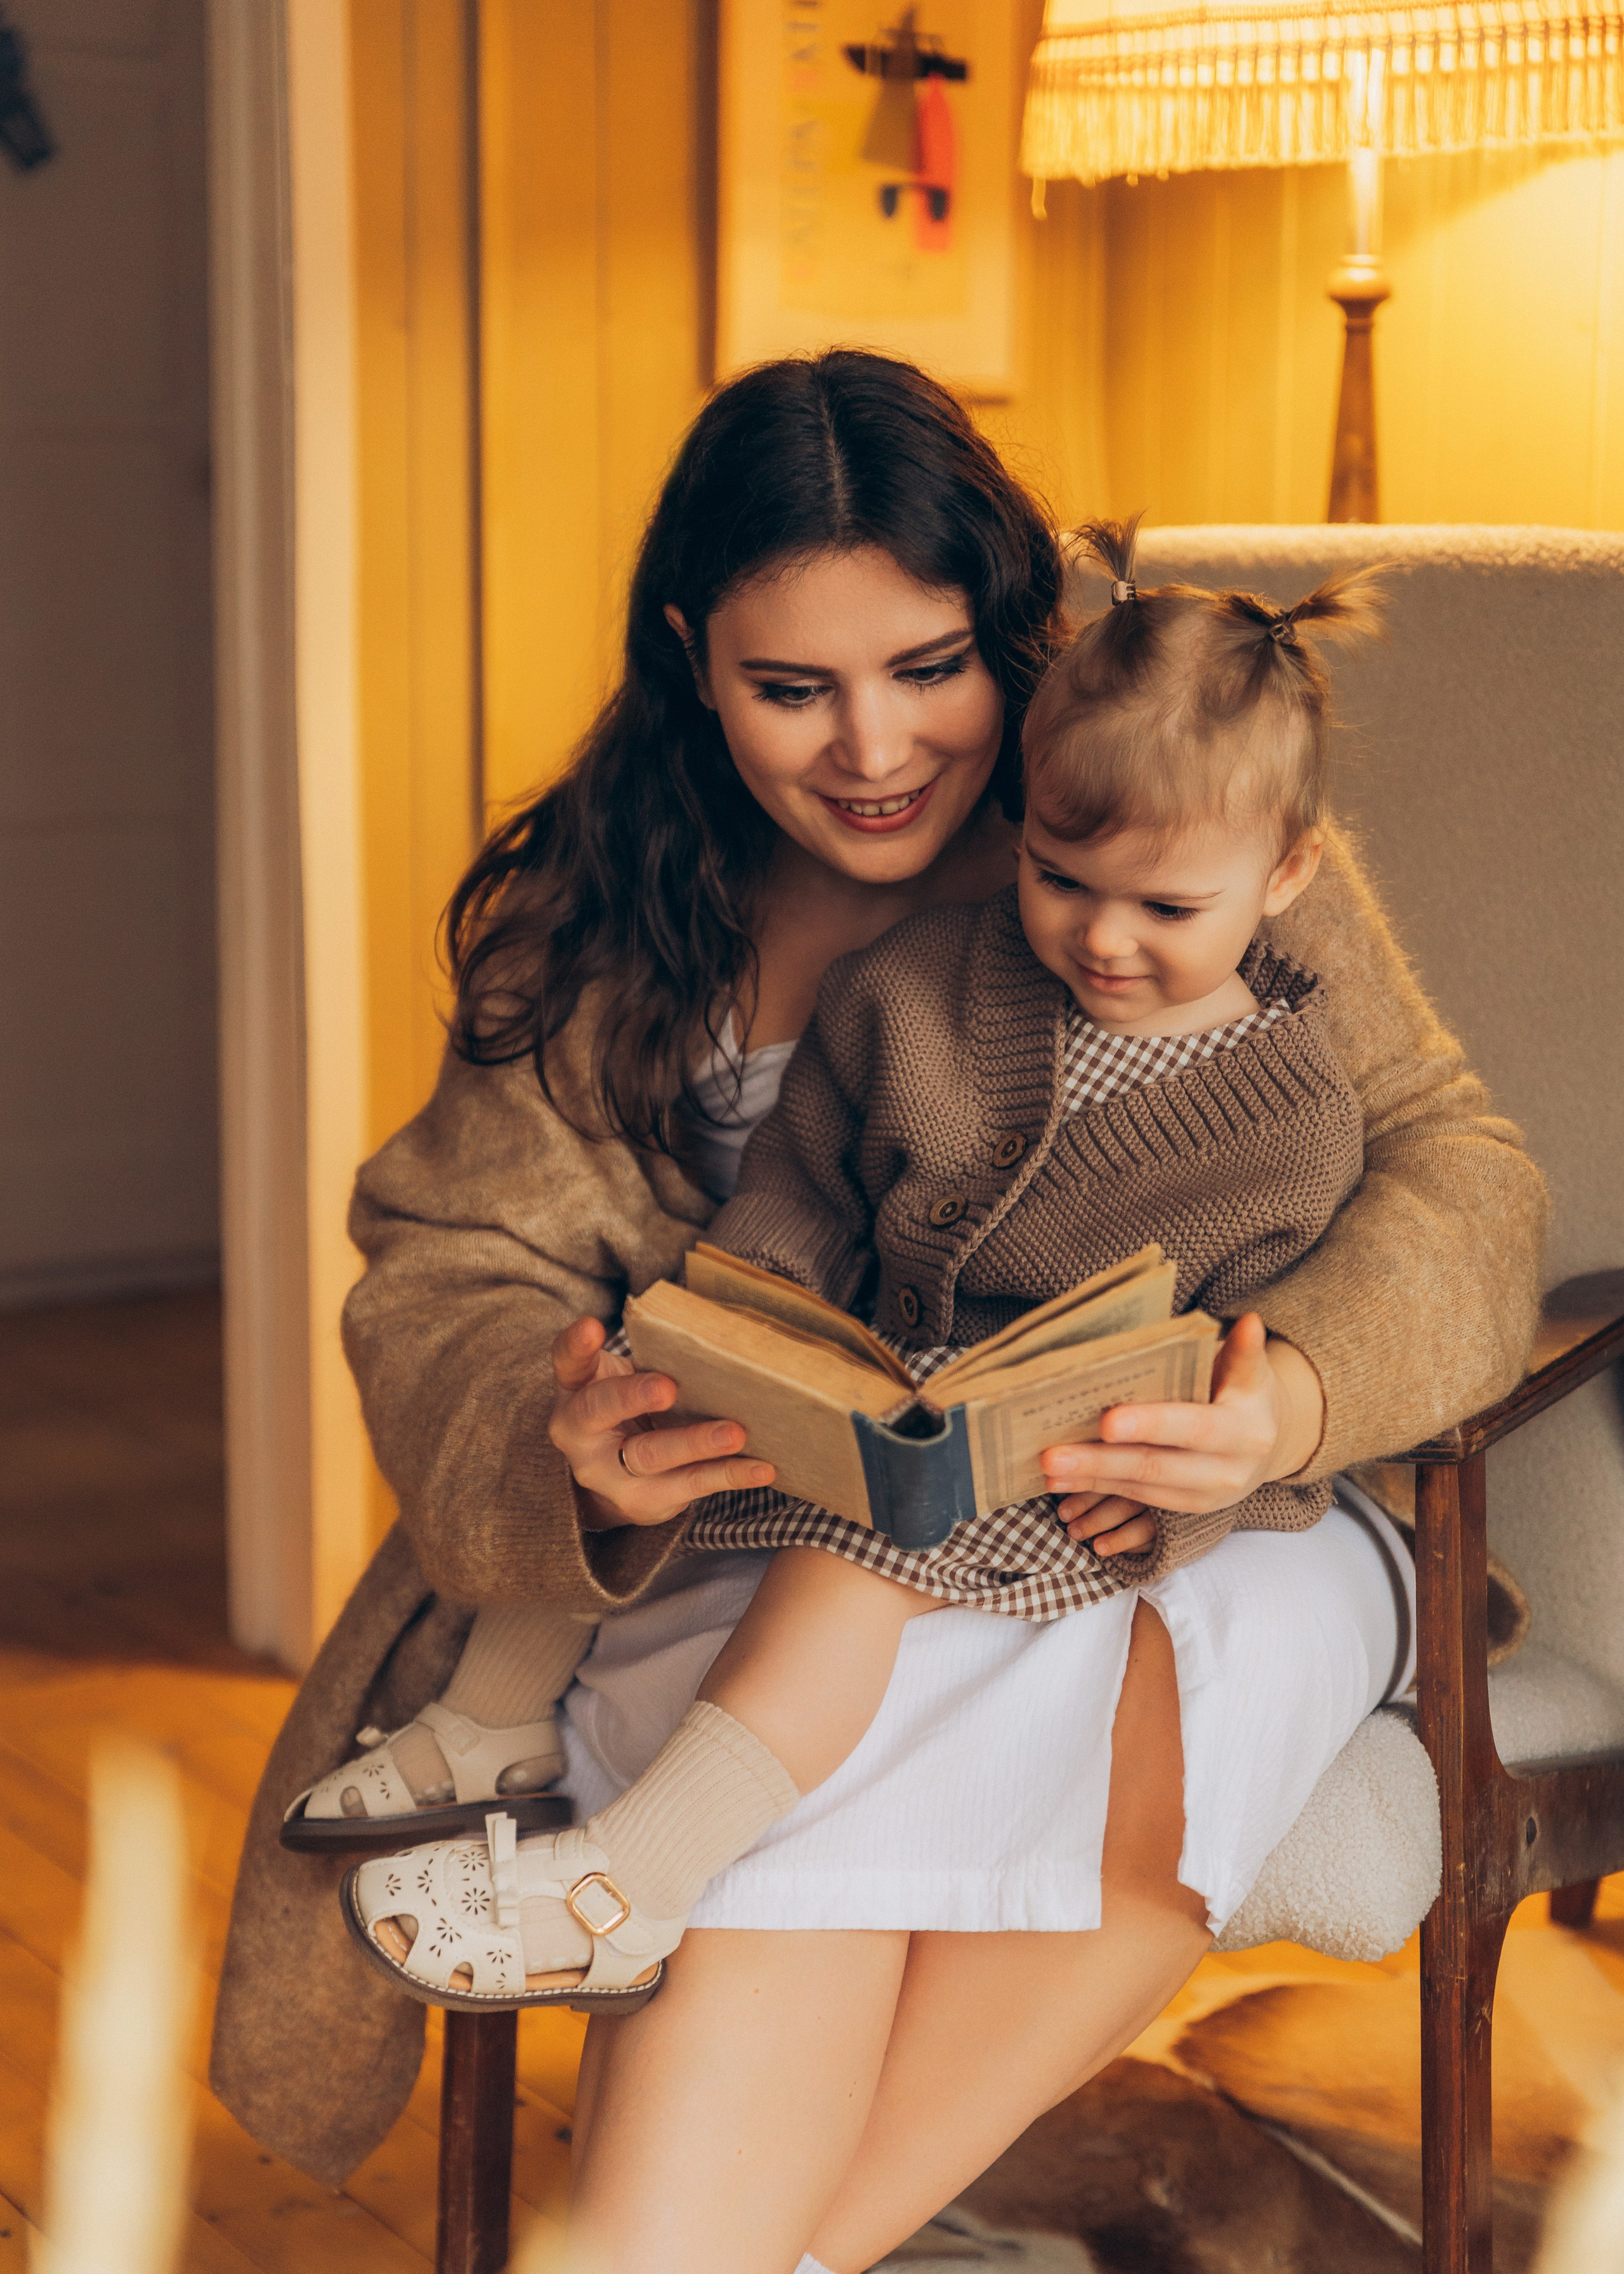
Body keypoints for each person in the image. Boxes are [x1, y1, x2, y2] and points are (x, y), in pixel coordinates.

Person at [209, 351, 1545, 2274]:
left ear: (1014, 638)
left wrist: (1288, 1398)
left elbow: (1458, 1169)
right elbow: (451, 1263)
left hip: (1191, 1498)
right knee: (817, 1715)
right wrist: (560, 1431)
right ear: (691, 659)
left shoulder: (1137, 791)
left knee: (1187, 1678)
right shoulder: (603, 924)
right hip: (788, 1529)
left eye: (930, 669)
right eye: (792, 688)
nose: (876, 750)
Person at [339, 522, 1392, 2018]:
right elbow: (803, 1177)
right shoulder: (914, 986)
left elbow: (1247, 1341)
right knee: (667, 1430)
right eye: (1058, 880)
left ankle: (623, 1883)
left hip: (1058, 1475)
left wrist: (1207, 1445)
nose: (1100, 939)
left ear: (1284, 874)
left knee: (852, 1566)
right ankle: (488, 1716)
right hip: (874, 1395)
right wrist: (737, 1325)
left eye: (1163, 910)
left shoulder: (1289, 1112)